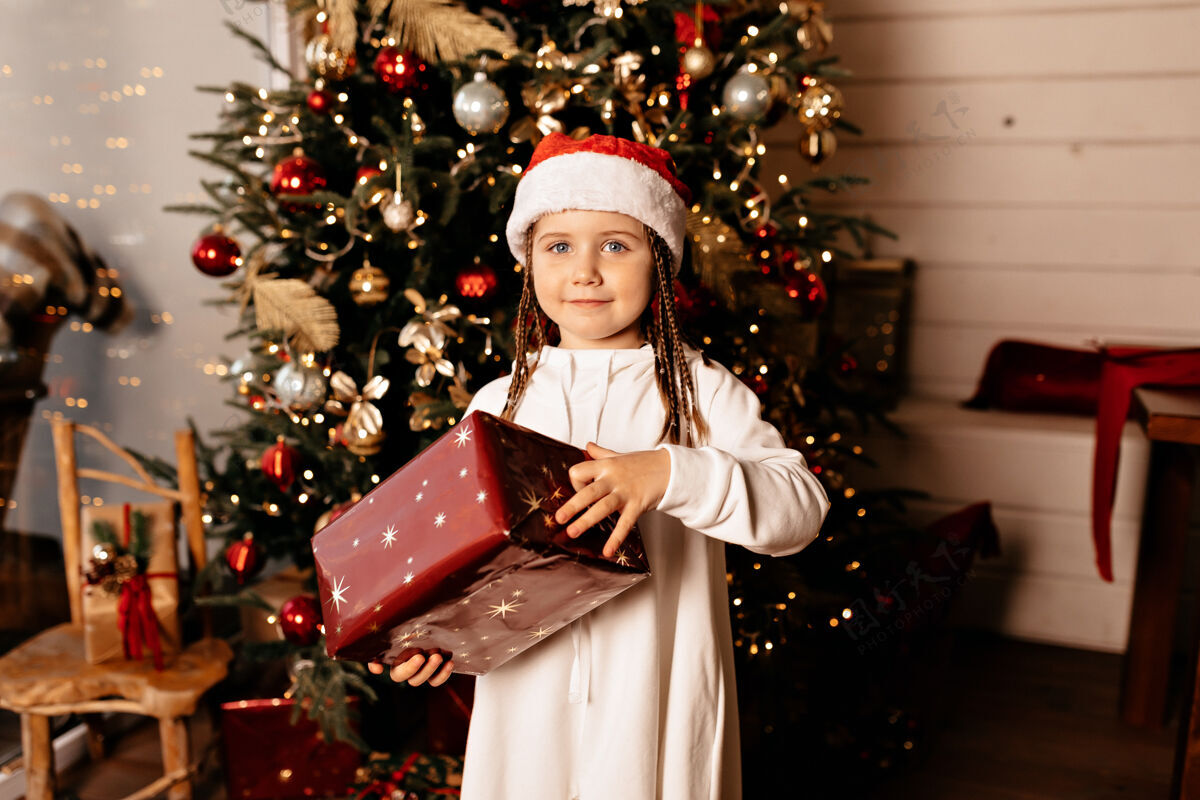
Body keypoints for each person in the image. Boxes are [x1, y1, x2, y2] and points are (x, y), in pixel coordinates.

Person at [368, 132, 831, 799]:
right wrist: (434, 637)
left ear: (661, 261)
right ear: (530, 263)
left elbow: (800, 511)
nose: (585, 270)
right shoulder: (501, 403)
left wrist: (672, 474)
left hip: (657, 696)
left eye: (615, 245)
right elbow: (457, 555)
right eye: (559, 247)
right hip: (526, 703)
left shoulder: (701, 393)